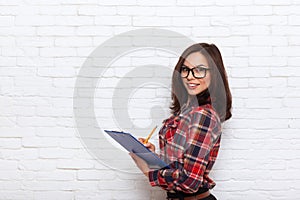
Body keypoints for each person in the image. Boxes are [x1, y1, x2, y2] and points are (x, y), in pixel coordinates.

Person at [130, 43, 232, 200]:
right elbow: (180, 165)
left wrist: (148, 171)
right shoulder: (188, 111)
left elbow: (190, 181)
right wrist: (152, 157)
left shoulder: (203, 115)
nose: (190, 76)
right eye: (185, 69)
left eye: (200, 70)